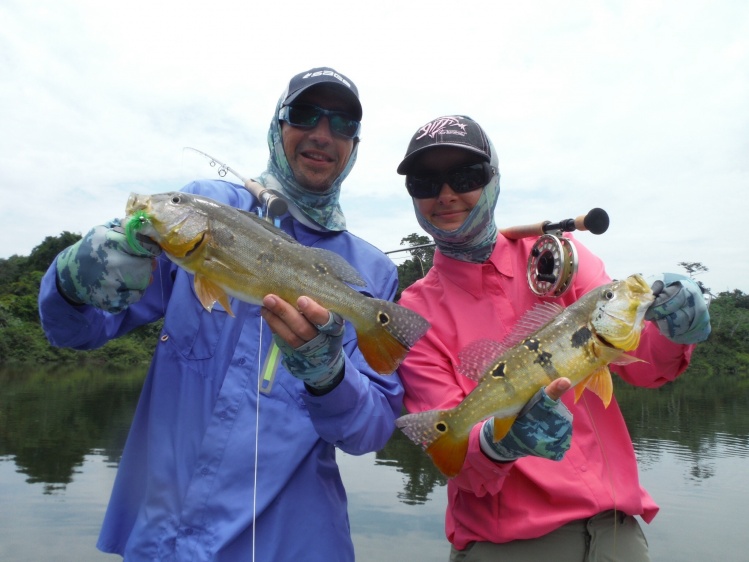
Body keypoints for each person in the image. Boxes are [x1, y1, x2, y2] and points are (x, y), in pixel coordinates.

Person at [38, 67, 404, 562]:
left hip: (296, 544)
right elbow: (72, 332)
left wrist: (329, 376)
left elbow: (372, 430)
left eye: (342, 124)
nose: (322, 134)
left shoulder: (372, 273)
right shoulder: (206, 206)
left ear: (355, 147)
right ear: (279, 127)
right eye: (305, 115)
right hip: (165, 539)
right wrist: (73, 281)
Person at [394, 115, 711, 562]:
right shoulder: (413, 314)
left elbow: (649, 366)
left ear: (493, 180)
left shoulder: (561, 259)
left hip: (618, 537)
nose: (445, 194)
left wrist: (678, 331)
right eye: (425, 182)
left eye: (466, 175)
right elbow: (459, 464)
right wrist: (496, 444)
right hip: (507, 547)